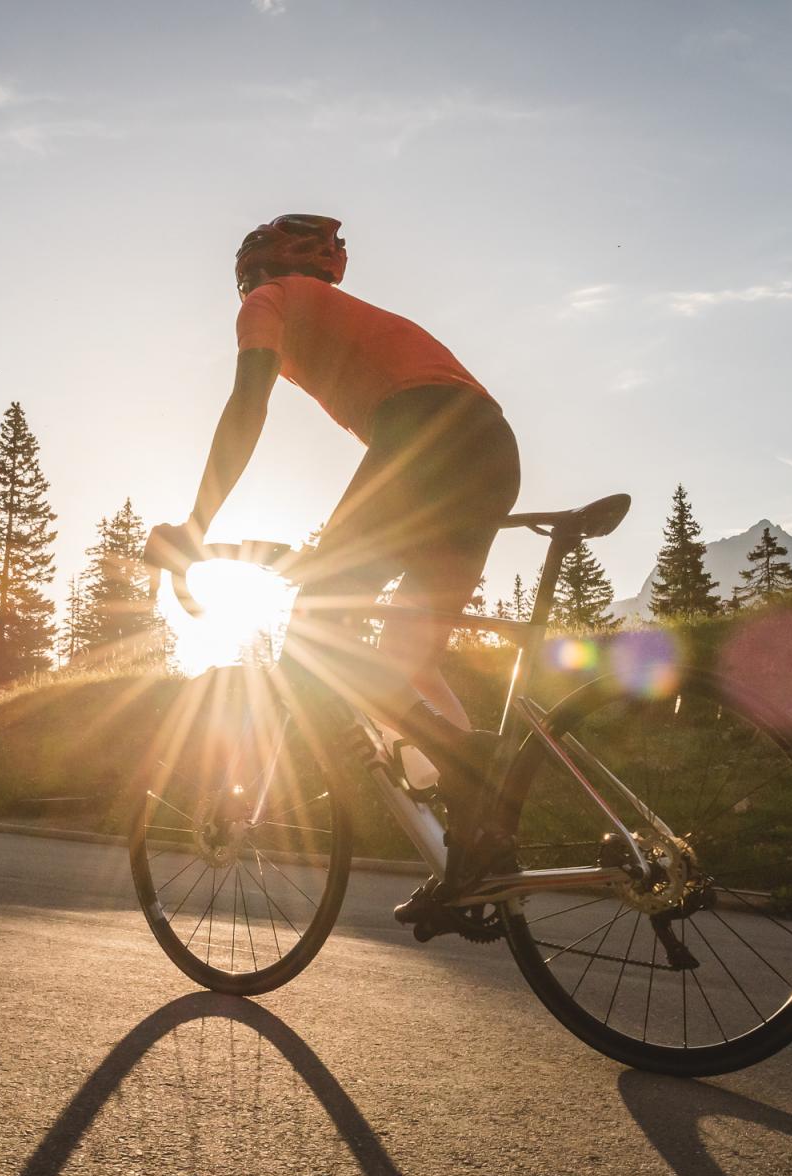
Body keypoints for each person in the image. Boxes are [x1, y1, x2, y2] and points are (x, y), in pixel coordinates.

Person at [147, 214, 522, 903]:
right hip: (491, 449)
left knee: (318, 633)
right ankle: (479, 851)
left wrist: (195, 525)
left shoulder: (272, 300)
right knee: (408, 663)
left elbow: (246, 403)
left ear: (253, 278)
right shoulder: (345, 316)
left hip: (425, 435)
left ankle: (472, 765)